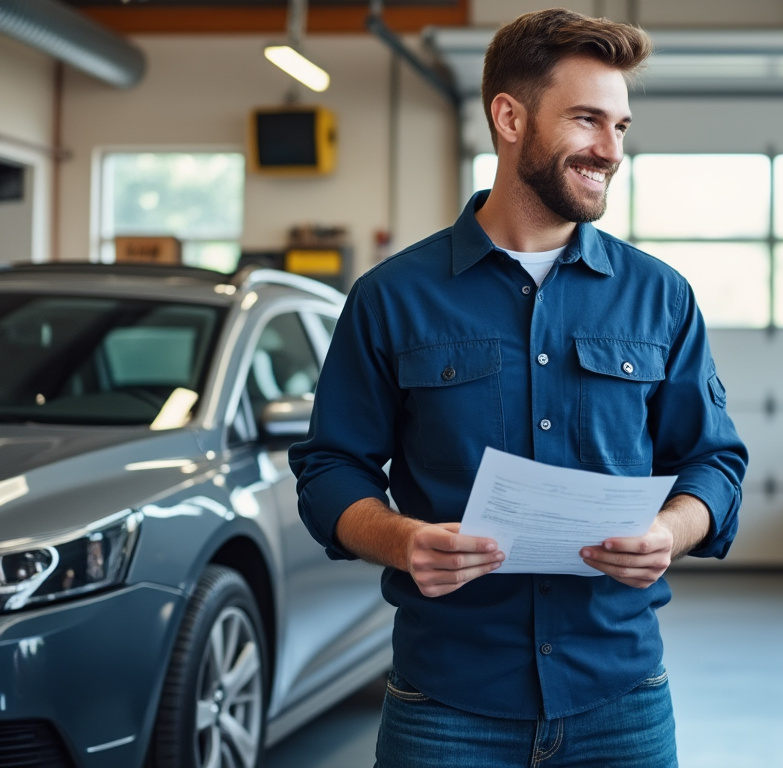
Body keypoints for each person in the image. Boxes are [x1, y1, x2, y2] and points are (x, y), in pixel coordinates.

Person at [289, 9, 747, 767]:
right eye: (587, 120)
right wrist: (402, 541)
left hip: (621, 702)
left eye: (622, 127)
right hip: (446, 705)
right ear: (509, 117)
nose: (611, 150)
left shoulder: (659, 297)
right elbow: (330, 469)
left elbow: (715, 463)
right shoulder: (392, 297)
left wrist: (672, 531)